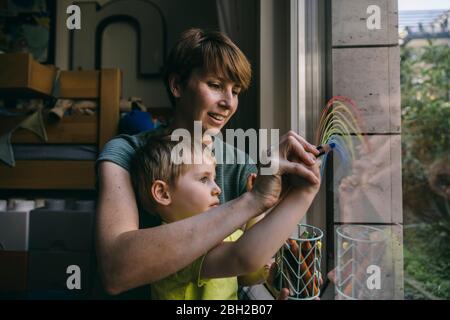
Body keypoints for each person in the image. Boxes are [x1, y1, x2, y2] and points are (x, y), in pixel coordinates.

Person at [96, 28, 321, 298]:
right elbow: (116, 270)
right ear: (177, 85)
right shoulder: (125, 153)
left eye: (235, 91)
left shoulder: (242, 165)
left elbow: (246, 266)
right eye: (215, 85)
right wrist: (252, 201)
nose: (228, 103)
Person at [129, 135, 321, 299]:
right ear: (163, 193)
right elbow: (243, 258)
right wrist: (302, 194)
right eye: (204, 179)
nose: (217, 188)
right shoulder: (171, 247)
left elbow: (245, 273)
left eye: (213, 178)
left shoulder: (219, 233)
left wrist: (260, 210)